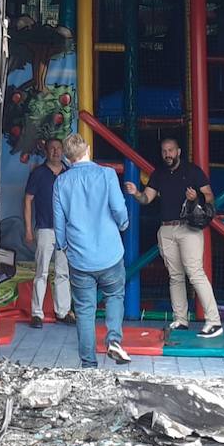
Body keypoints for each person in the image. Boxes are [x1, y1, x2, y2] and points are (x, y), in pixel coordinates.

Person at [124, 136, 223, 338]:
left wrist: (196, 198)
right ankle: (181, 320)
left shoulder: (193, 171)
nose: (167, 154)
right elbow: (146, 198)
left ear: (178, 151)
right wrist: (135, 193)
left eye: (170, 150)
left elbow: (210, 196)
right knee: (175, 276)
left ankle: (214, 322)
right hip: (166, 229)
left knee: (195, 273)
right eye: (164, 151)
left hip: (189, 228)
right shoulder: (158, 174)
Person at [52, 132, 132, 367]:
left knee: (85, 310)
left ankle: (88, 365)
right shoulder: (106, 175)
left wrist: (63, 246)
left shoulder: (61, 182)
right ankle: (114, 340)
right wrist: (123, 223)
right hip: (110, 254)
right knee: (115, 295)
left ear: (67, 158)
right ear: (87, 149)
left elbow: (59, 221)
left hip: (79, 257)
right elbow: (118, 208)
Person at [22, 137, 73, 329]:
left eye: (59, 148)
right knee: (41, 272)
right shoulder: (39, 173)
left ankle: (63, 311)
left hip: (65, 231)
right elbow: (27, 200)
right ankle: (37, 314)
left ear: (63, 151)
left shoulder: (69, 173)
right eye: (52, 148)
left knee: (63, 273)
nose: (56, 152)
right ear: (46, 151)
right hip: (44, 228)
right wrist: (28, 229)